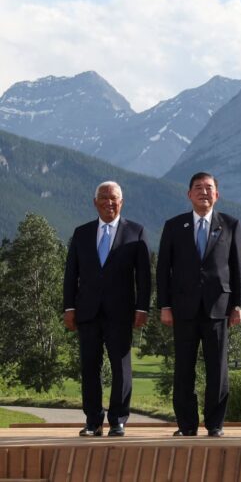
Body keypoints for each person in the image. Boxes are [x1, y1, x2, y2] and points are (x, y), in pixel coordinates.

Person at [157, 172, 241, 437]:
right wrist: (164, 305)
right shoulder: (174, 226)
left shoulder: (230, 225)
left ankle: (215, 424)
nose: (203, 192)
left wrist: (238, 304)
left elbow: (238, 267)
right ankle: (186, 425)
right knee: (184, 368)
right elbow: (163, 269)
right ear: (189, 194)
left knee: (217, 368)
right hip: (183, 308)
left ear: (217, 195)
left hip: (218, 307)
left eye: (208, 188)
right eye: (198, 187)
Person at [62, 181, 151, 437]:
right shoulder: (81, 233)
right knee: (89, 367)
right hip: (87, 311)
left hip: (121, 312)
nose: (108, 202)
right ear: (95, 202)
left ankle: (118, 420)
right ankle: (93, 421)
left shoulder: (136, 231)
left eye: (114, 198)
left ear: (121, 202)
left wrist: (142, 308)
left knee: (121, 367)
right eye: (103, 197)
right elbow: (71, 274)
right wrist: (69, 307)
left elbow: (144, 277)